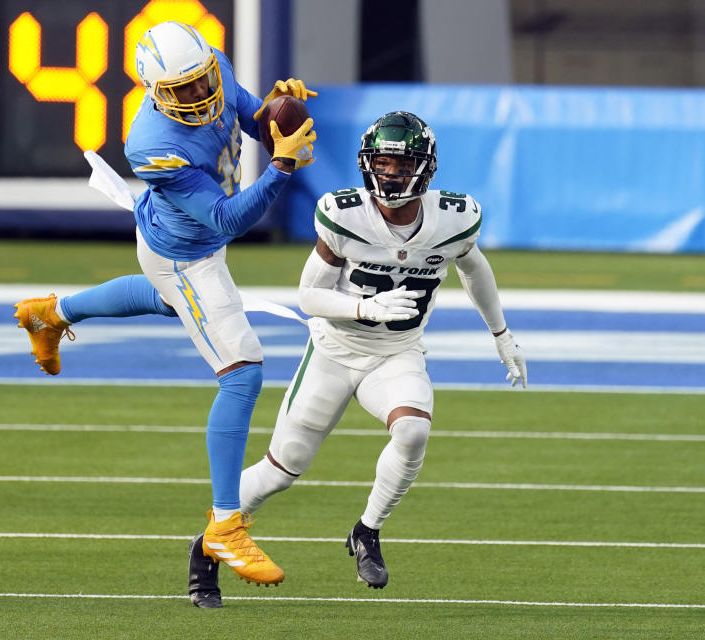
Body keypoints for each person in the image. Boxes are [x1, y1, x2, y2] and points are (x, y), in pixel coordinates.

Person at [12, 21, 317, 594]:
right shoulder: (151, 144)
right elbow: (227, 219)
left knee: (168, 300)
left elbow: (252, 118)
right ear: (154, 91)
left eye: (203, 81)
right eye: (183, 91)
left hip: (174, 243)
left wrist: (280, 114)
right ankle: (226, 522)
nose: (200, 95)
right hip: (187, 252)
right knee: (242, 372)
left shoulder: (214, 67)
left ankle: (52, 313)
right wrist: (280, 167)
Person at [187, 111, 527, 606]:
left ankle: (367, 530)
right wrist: (365, 307)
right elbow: (308, 295)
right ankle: (208, 544)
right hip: (333, 350)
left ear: (424, 169)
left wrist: (501, 333)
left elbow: (475, 268)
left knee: (413, 431)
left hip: (396, 353)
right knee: (282, 471)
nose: (388, 174)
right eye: (382, 163)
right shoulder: (346, 215)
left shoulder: (454, 219)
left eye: (400, 163)